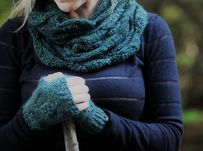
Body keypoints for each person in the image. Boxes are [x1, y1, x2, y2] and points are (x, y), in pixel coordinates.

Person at [0, 0, 183, 150]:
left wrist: (100, 122)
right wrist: (32, 117)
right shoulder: (15, 34)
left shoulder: (150, 30)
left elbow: (170, 138)